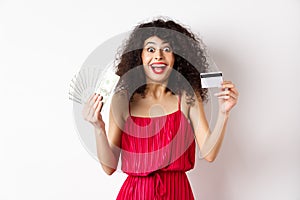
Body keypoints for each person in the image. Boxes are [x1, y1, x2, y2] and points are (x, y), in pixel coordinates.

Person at [82, 18, 239, 200]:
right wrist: (98, 128)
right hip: (135, 195)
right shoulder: (122, 99)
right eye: (150, 49)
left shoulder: (188, 97)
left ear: (177, 58)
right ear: (139, 56)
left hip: (177, 194)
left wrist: (224, 113)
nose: (158, 56)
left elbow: (209, 154)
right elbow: (108, 167)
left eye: (166, 49)